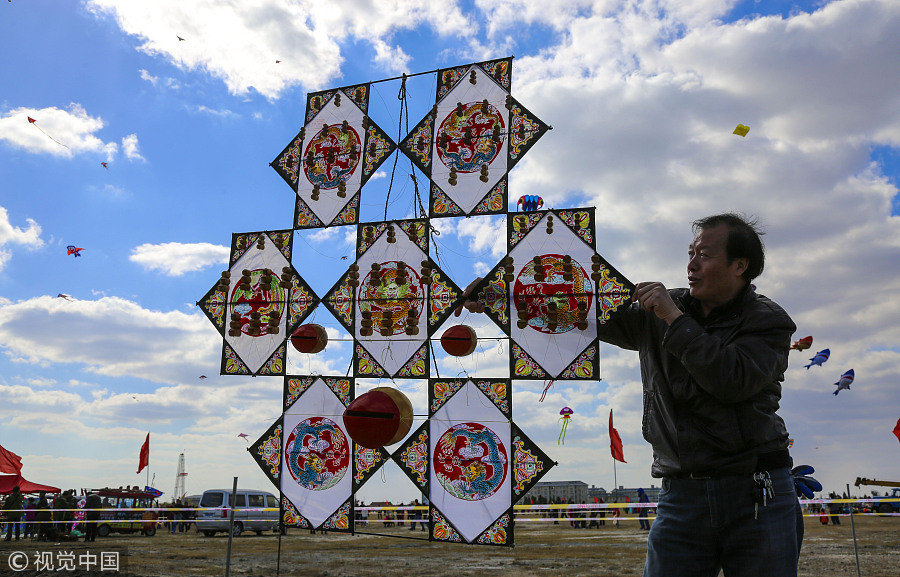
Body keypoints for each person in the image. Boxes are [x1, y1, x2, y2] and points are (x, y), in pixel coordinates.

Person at [594, 213, 802, 576]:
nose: (691, 264)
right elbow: (583, 314)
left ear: (740, 265)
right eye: (690, 253)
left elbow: (731, 379)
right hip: (680, 495)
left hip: (755, 492)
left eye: (704, 254)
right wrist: (502, 295)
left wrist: (674, 319)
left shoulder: (768, 320)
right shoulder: (660, 311)